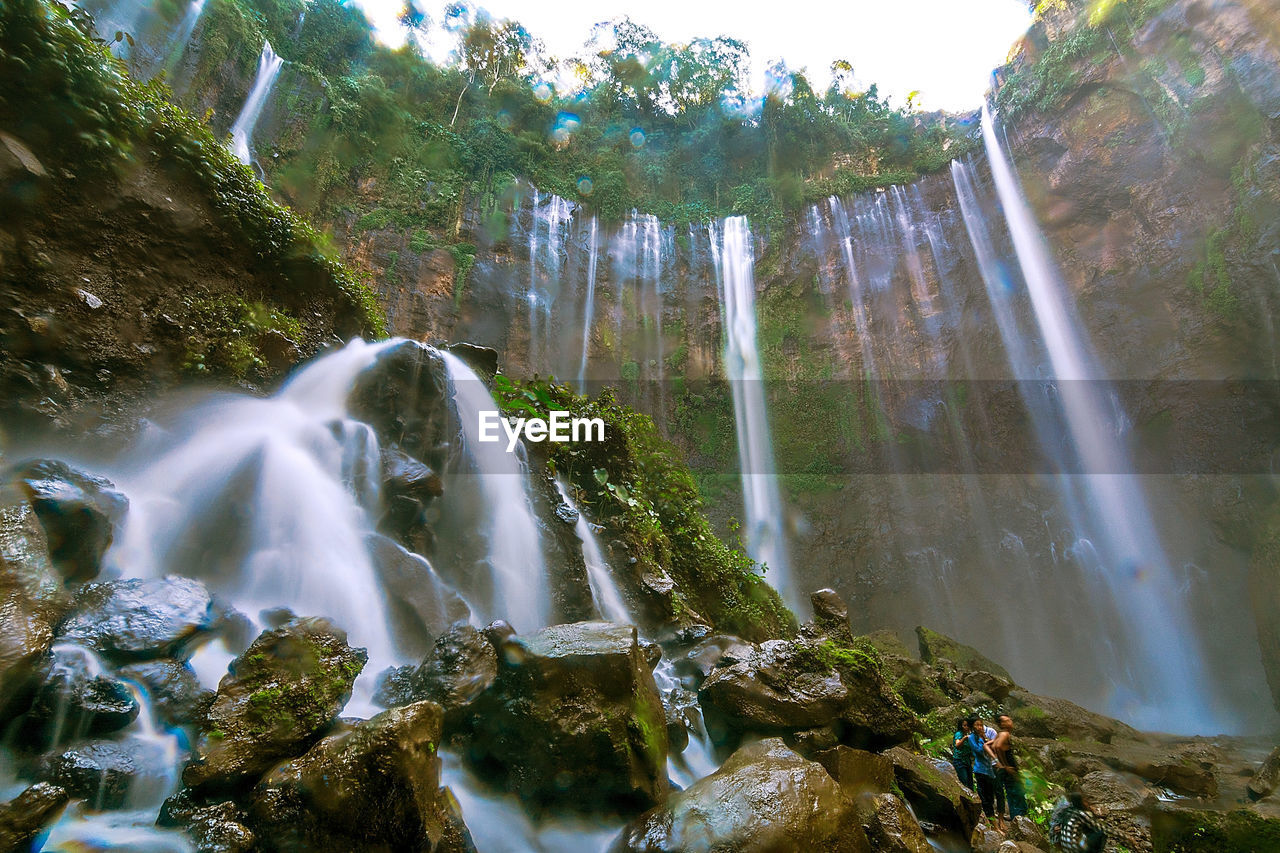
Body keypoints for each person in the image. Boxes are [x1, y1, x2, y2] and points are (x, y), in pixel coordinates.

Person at [966, 715, 1004, 831]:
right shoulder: (971, 738)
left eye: (980, 724)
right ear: (972, 727)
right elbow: (978, 751)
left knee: (998, 793)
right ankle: (995, 826)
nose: (979, 727)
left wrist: (987, 740)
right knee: (986, 799)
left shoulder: (990, 732)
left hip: (993, 768)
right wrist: (983, 740)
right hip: (981, 770)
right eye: (976, 725)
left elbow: (997, 746)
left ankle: (1001, 820)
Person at [993, 713, 1028, 819]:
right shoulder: (1005, 734)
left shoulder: (1000, 734)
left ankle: (1014, 817)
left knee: (1011, 794)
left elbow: (994, 746)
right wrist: (1006, 765)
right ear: (1002, 724)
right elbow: (998, 746)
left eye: (1010, 720)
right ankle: (1019, 819)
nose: (1010, 722)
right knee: (1018, 793)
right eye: (1006, 720)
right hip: (1010, 769)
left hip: (1007, 770)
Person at [951, 718, 975, 790]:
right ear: (961, 726)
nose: (966, 727)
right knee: (964, 781)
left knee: (970, 783)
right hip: (959, 760)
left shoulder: (970, 735)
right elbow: (957, 745)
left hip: (967, 760)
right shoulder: (959, 734)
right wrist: (964, 738)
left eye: (968, 725)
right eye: (965, 725)